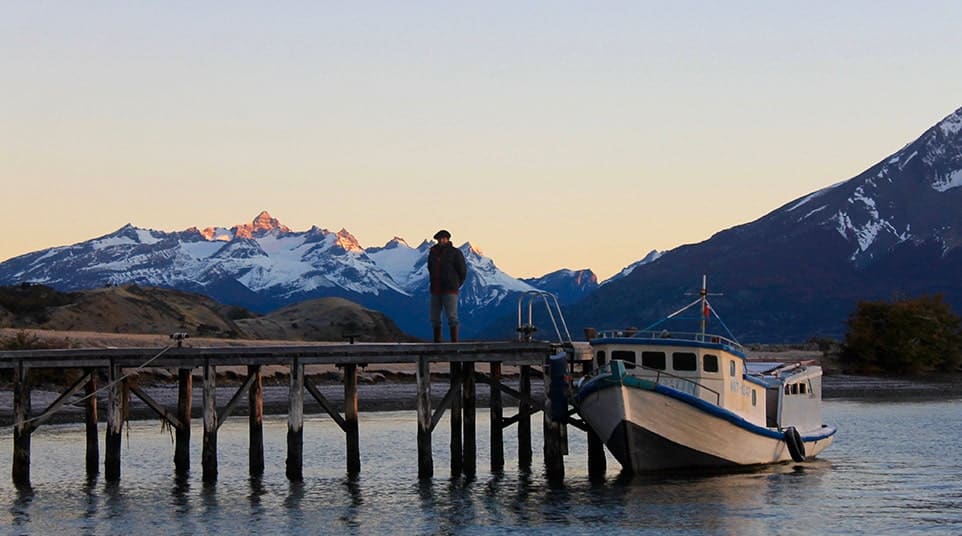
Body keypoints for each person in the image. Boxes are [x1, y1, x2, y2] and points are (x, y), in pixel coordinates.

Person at [428, 229, 467, 342]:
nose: (441, 240)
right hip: (435, 289)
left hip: (449, 290)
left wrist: (455, 284)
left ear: (448, 239)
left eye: (443, 238)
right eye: (439, 239)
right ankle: (437, 344)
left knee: (452, 317)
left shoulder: (455, 253)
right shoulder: (432, 252)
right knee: (435, 318)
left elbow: (462, 271)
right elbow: (430, 268)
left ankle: (454, 345)